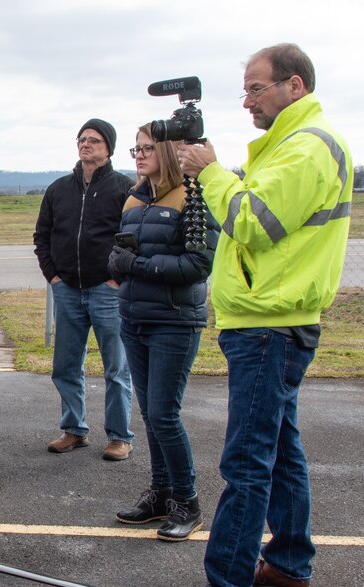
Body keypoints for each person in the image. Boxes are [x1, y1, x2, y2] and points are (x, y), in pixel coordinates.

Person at [152, 43, 352, 587]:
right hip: (269, 319)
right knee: (280, 450)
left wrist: (210, 172)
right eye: (244, 90)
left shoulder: (309, 147)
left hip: (270, 323)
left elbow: (252, 223)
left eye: (256, 88)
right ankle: (288, 563)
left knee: (247, 459)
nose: (246, 101)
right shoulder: (293, 146)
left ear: (295, 85)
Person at [110, 125, 217, 542]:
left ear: (170, 152)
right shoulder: (135, 198)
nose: (138, 155)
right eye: (135, 148)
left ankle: (186, 502)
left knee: (165, 415)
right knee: (151, 415)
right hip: (134, 317)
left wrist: (134, 265)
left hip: (174, 320)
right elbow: (119, 253)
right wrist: (117, 262)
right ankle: (160, 494)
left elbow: (197, 265)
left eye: (147, 148)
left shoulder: (193, 196)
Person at [34, 119, 135, 461]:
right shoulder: (59, 189)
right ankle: (73, 429)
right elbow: (42, 236)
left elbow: (134, 240)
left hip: (107, 291)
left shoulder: (125, 189)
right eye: (82, 139)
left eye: (94, 140)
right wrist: (54, 277)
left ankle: (120, 436)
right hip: (68, 291)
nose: (86, 144)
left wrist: (116, 279)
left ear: (109, 148)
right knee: (65, 365)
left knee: (116, 368)